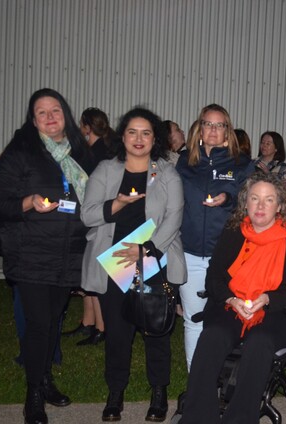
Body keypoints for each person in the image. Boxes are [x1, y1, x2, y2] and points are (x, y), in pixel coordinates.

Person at [0, 88, 92, 424]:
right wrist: (28, 202)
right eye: (41, 112)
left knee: (53, 321)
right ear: (33, 120)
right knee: (38, 324)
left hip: (68, 254)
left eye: (55, 110)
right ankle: (33, 395)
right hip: (31, 253)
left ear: (66, 115)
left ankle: (45, 379)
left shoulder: (80, 153)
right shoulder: (21, 151)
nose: (50, 117)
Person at [180, 172, 286, 424]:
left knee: (260, 341)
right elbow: (214, 278)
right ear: (246, 202)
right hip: (234, 305)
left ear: (280, 205)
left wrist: (267, 299)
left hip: (278, 311)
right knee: (212, 336)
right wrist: (231, 299)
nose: (260, 206)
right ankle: (197, 417)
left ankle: (240, 418)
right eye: (255, 198)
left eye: (268, 199)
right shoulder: (234, 230)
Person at [80, 107, 187, 422]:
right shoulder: (105, 169)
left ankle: (159, 393)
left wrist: (147, 249)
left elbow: (174, 216)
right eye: (132, 132)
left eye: (146, 132)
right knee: (117, 333)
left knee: (156, 331)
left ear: (155, 138)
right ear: (122, 136)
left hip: (153, 258)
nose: (139, 139)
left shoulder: (166, 172)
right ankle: (115, 393)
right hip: (114, 260)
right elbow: (87, 214)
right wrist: (116, 203)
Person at [176, 104, 254, 370]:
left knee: (226, 321)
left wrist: (228, 199)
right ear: (199, 129)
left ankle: (224, 376)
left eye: (219, 125)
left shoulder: (241, 164)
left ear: (227, 131)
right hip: (190, 253)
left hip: (228, 257)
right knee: (194, 319)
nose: (212, 129)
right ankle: (196, 379)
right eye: (207, 124)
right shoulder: (184, 162)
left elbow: (253, 204)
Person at [63, 107, 117, 346]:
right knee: (87, 272)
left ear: (86, 126)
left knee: (95, 275)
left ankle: (101, 327)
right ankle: (88, 321)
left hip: (95, 218)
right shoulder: (99, 150)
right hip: (93, 215)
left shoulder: (97, 154)